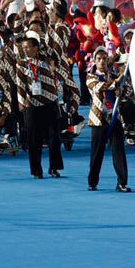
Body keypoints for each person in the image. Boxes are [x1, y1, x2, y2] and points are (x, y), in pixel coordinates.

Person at [16, 30, 78, 179]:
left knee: (54, 138)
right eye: (23, 47)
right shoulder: (21, 63)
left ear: (36, 47)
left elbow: (55, 52)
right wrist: (21, 101)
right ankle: (36, 170)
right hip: (32, 105)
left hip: (50, 103)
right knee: (33, 139)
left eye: (28, 47)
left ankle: (54, 168)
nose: (25, 50)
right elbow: (20, 83)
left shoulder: (48, 60)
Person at [86, 46, 130, 192]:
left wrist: (121, 89)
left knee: (119, 151)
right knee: (97, 153)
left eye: (105, 58)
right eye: (99, 59)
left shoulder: (113, 75)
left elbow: (125, 92)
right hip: (98, 119)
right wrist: (116, 83)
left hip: (114, 118)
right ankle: (92, 182)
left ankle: (122, 183)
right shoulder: (91, 76)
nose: (102, 61)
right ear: (94, 61)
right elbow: (99, 87)